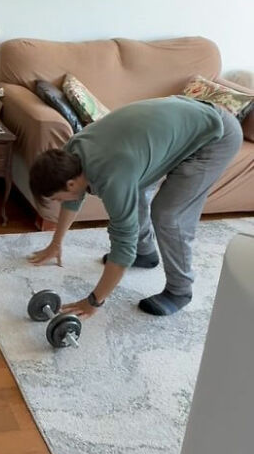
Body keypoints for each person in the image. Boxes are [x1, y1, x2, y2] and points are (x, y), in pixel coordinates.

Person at [28, 95, 243, 317]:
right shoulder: (71, 152)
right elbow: (73, 197)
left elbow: (123, 246)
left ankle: (180, 290)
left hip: (216, 136)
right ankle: (146, 252)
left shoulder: (113, 176)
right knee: (135, 190)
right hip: (186, 122)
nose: (59, 203)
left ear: (71, 183)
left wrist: (93, 301)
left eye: (57, 198)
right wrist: (56, 242)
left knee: (168, 215)